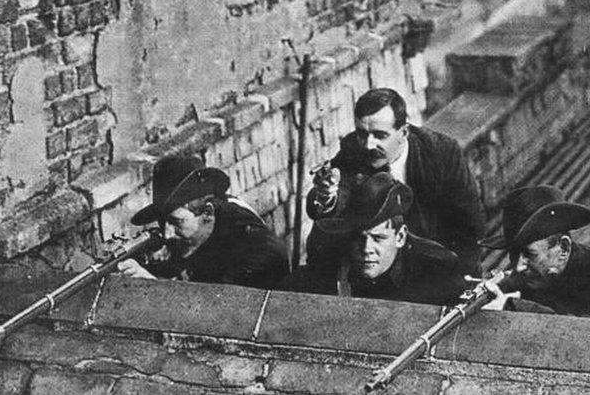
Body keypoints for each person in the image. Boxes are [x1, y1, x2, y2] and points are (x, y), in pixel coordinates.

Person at [307, 87, 484, 276]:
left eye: (380, 135)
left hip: (436, 265)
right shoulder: (352, 152)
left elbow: (469, 225)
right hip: (383, 270)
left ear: (404, 132)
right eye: (362, 133)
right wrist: (327, 198)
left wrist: (460, 280)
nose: (369, 145)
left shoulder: (441, 153)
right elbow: (339, 195)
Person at [284, 172, 465, 305]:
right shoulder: (331, 259)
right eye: (358, 238)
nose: (366, 249)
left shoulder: (435, 269)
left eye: (378, 238)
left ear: (400, 237)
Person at [118, 155, 289, 289]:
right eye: (163, 222)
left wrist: (154, 286)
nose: (167, 234)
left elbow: (212, 307)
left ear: (207, 213)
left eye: (176, 222)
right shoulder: (198, 229)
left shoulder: (256, 249)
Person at [480, 185, 590, 320]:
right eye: (513, 254)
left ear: (564, 248)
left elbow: (589, 335)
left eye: (530, 254)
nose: (518, 267)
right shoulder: (531, 276)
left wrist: (511, 307)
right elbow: (505, 285)